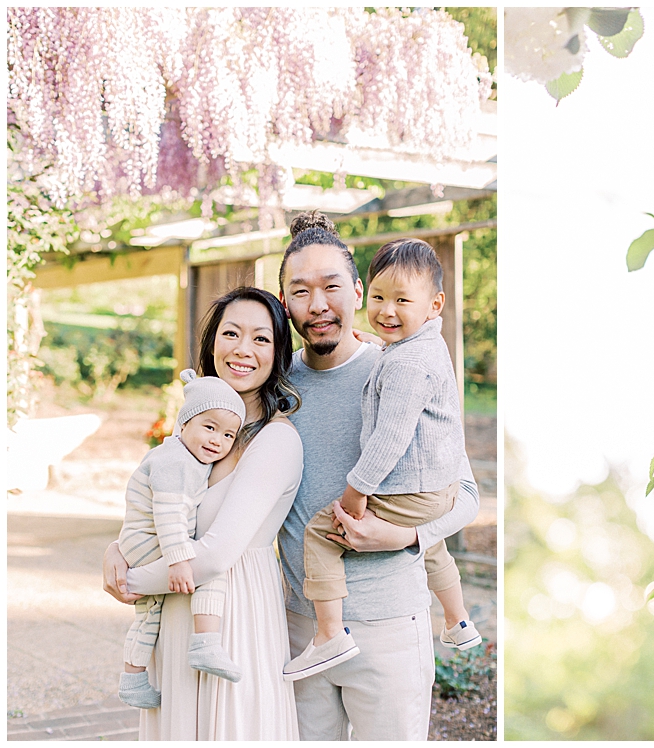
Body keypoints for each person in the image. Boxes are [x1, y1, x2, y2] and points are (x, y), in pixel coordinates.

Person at [277, 212, 480, 740]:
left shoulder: (403, 369)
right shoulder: (273, 387)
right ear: (285, 303)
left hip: (390, 627)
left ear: (358, 289)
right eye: (300, 291)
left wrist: (408, 535)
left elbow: (465, 494)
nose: (318, 304)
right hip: (301, 627)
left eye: (331, 286)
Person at [104, 287, 304, 740]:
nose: (242, 350)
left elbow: (214, 556)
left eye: (261, 339)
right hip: (177, 608)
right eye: (231, 333)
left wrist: (128, 582)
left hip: (234, 610)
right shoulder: (195, 438)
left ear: (279, 354)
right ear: (212, 343)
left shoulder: (275, 441)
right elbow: (157, 506)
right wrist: (117, 548)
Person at [118, 369, 247, 709]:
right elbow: (169, 513)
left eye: (228, 435)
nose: (217, 440)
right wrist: (178, 560)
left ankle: (132, 679)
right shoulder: (176, 460)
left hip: (140, 540)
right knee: (211, 570)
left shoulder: (185, 457)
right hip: (150, 538)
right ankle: (205, 643)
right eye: (209, 427)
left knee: (149, 612)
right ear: (184, 423)